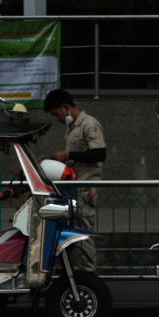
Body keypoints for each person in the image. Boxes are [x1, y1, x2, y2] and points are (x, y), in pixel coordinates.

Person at [43, 89, 106, 272]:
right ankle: (71, 272)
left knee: (83, 231)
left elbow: (100, 153)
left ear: (65, 108)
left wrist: (68, 154)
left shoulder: (89, 124)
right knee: (70, 230)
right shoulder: (71, 128)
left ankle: (88, 273)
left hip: (85, 188)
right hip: (72, 187)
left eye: (56, 114)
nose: (57, 119)